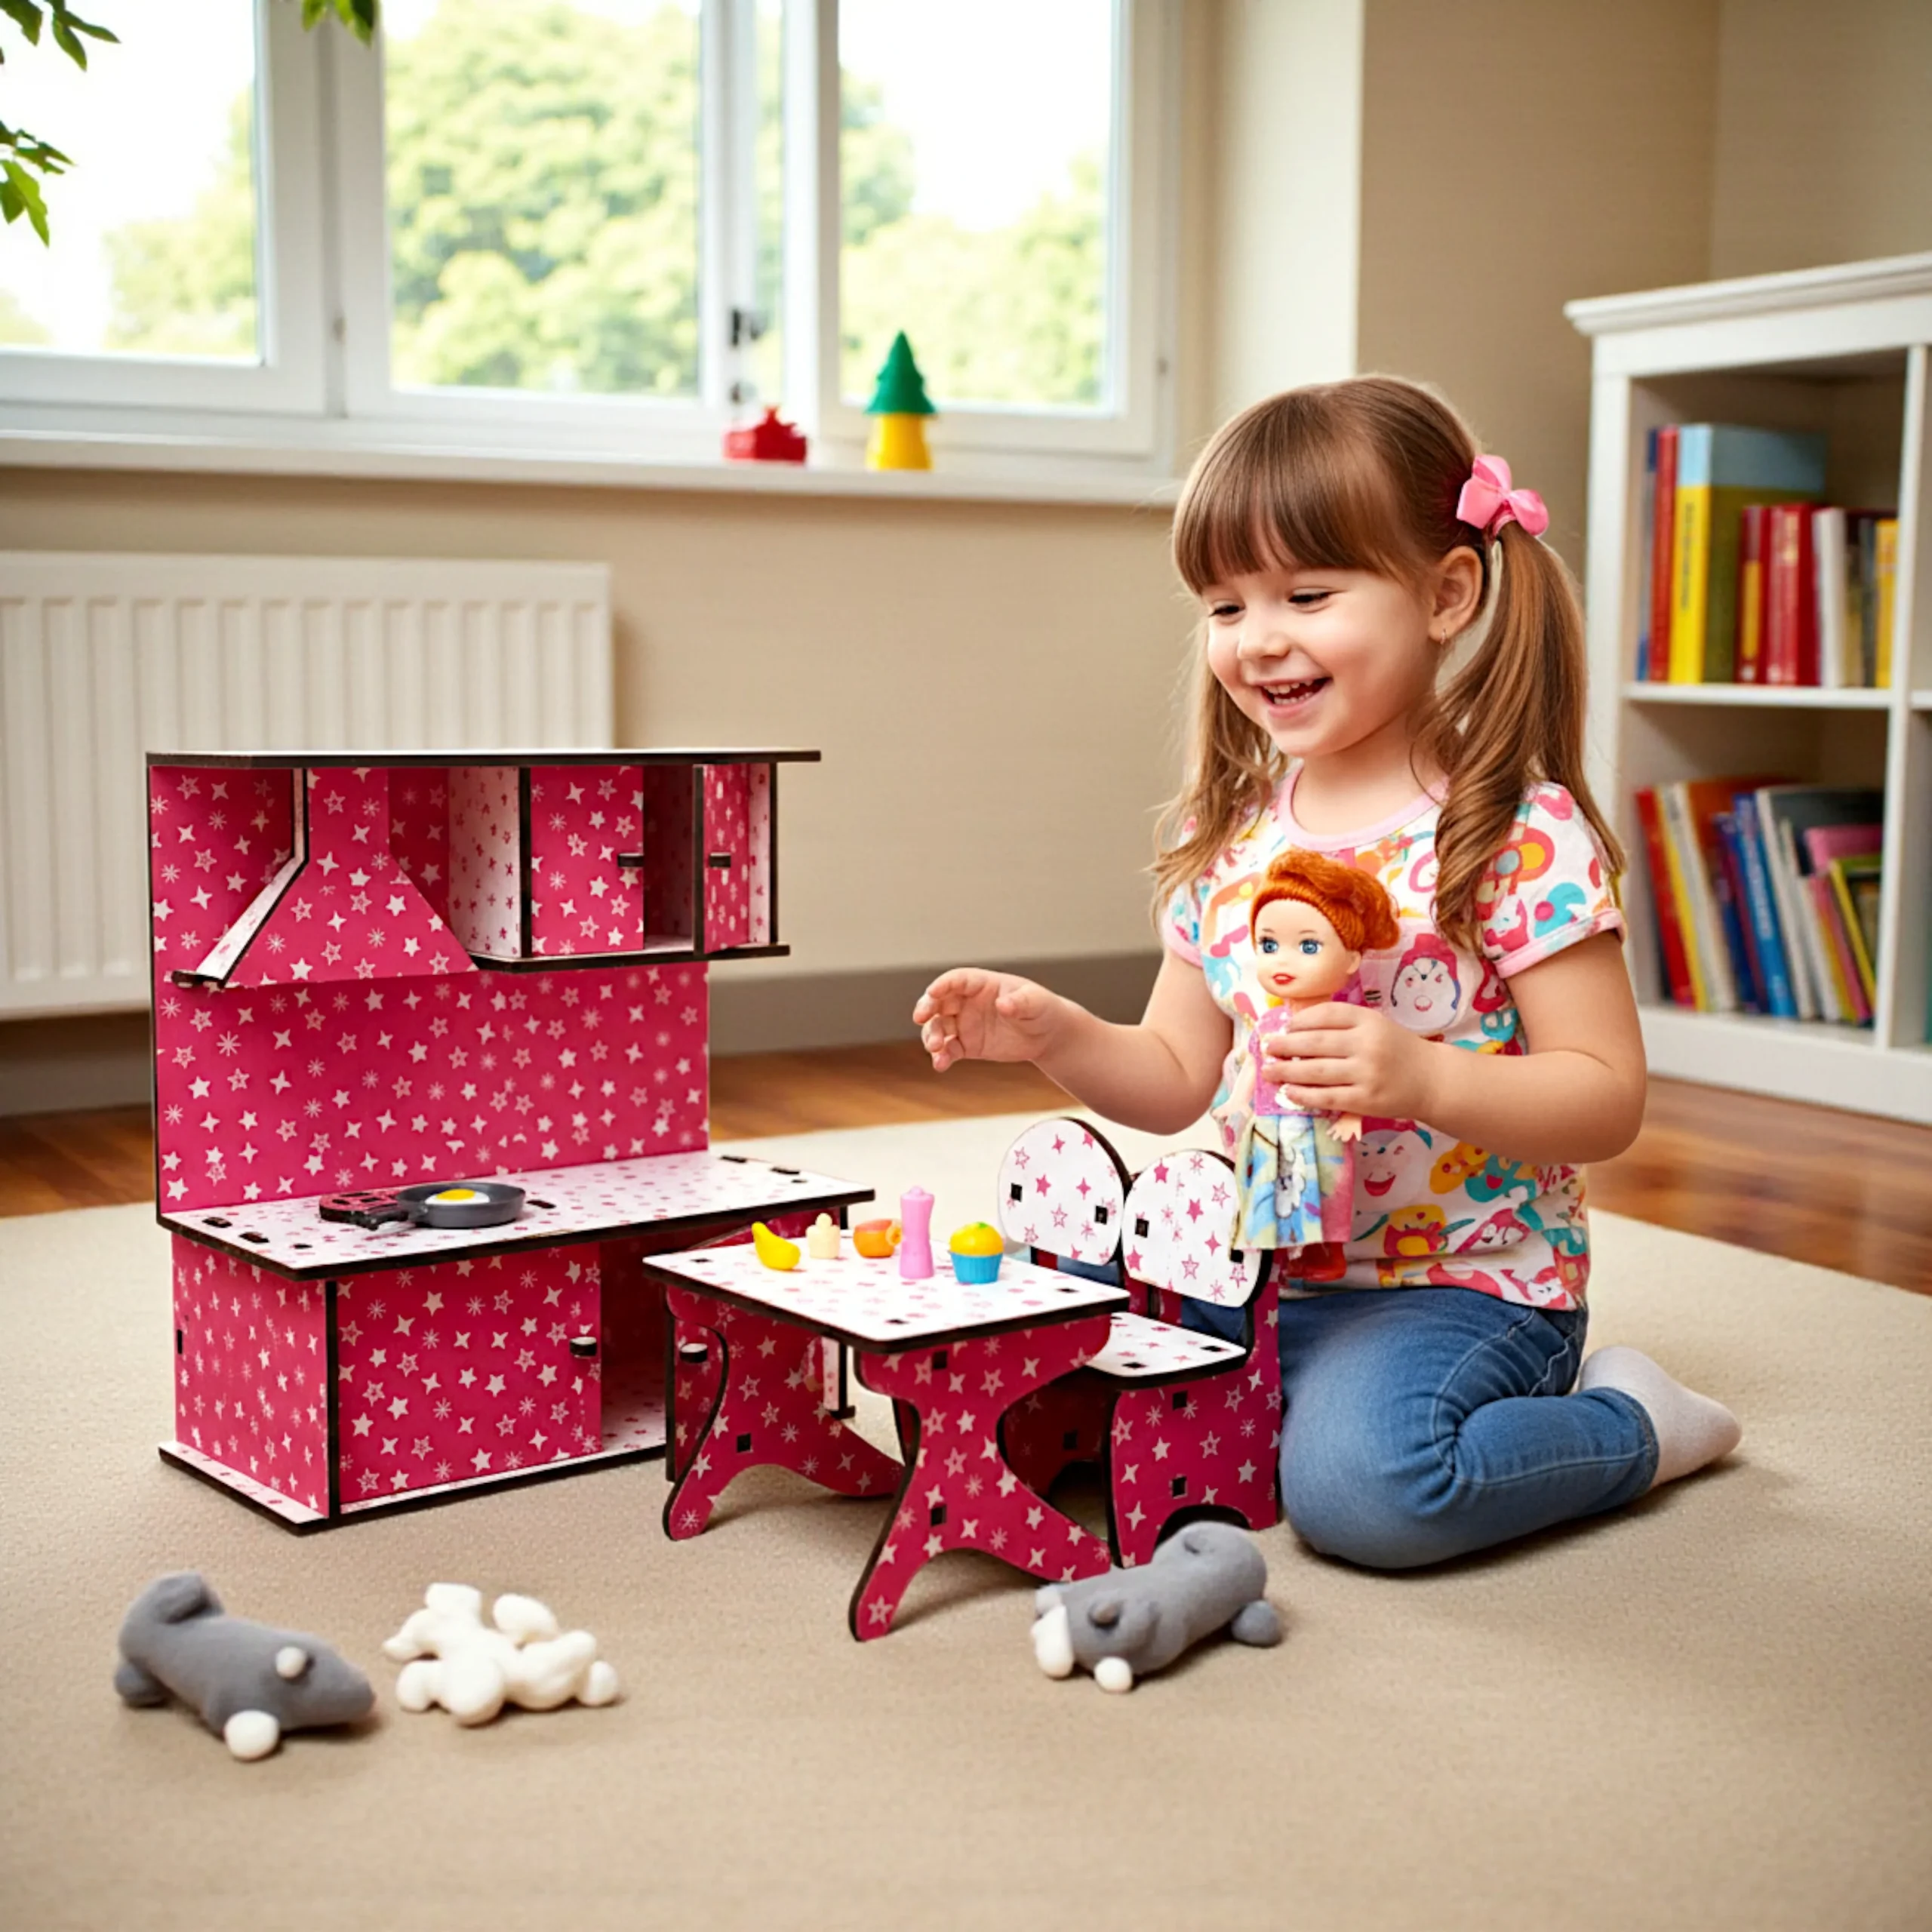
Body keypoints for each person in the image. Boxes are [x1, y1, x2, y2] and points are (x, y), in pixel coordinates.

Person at [912, 375, 1741, 1571]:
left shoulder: (1514, 834)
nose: (1258, 639)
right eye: (1224, 604)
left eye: (1307, 593)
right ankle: (1269, 1400)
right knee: (1038, 1407)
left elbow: (1606, 1096)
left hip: (1465, 1290)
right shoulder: (1234, 836)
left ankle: (1630, 1423)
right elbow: (1172, 1077)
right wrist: (1051, 1033)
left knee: (1368, 1497)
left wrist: (1424, 1076)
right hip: (1255, 1269)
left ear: (1447, 593)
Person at [1223, 849, 1401, 1279]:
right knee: (1269, 1187)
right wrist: (1236, 1102)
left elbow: (1353, 1071)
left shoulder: (1342, 1025)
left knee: (1325, 1189)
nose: (1282, 960)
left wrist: (1352, 1113)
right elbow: (1254, 1061)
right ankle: (1275, 1254)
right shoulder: (1269, 1021)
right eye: (1269, 945)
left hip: (1321, 1124)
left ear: (1352, 960)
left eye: (1308, 946)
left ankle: (1324, 1252)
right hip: (1269, 1123)